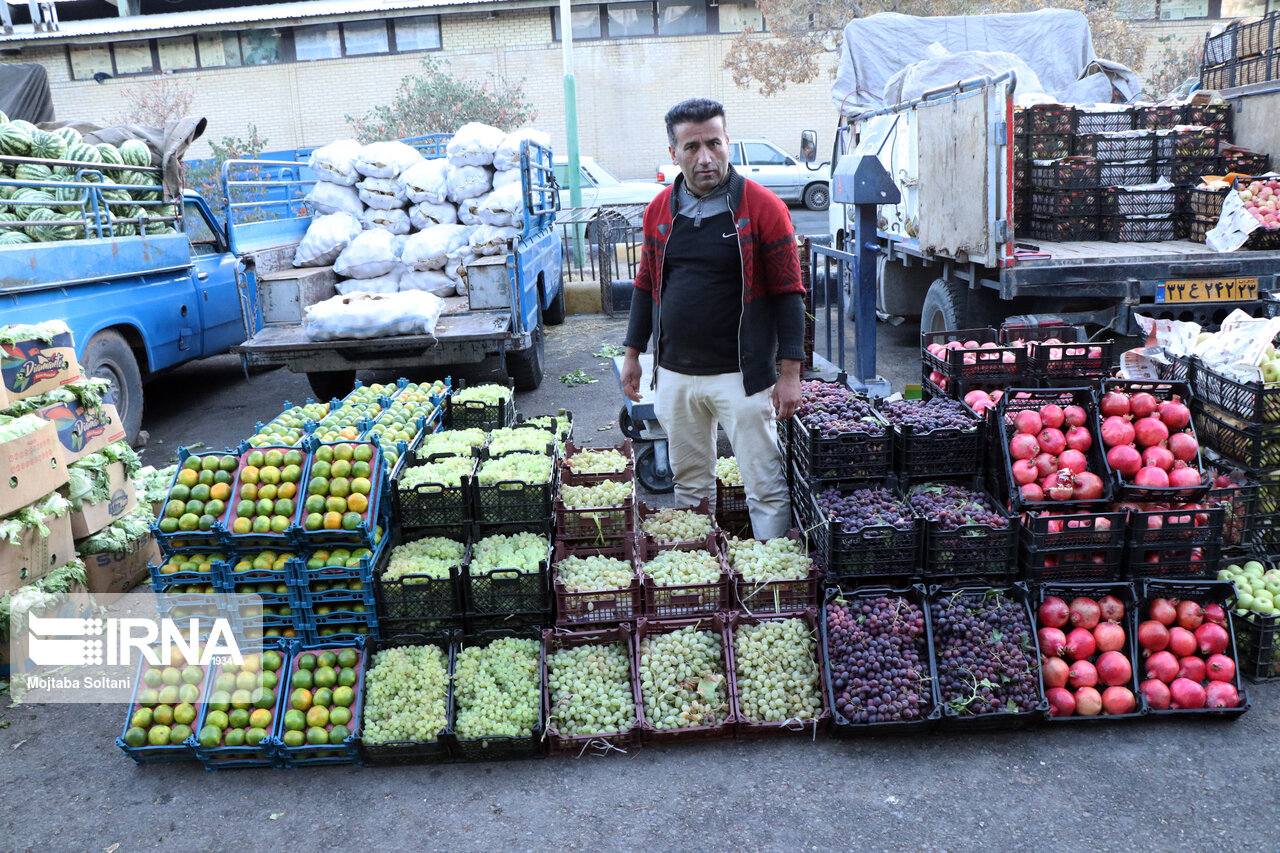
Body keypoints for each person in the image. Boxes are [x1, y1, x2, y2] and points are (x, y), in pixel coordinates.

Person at [620, 97, 805, 539]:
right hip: (675, 375)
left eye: (715, 144)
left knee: (764, 484)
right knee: (689, 485)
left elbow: (789, 293)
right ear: (674, 153)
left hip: (741, 377)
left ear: (728, 144)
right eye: (692, 147)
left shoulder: (762, 208)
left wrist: (790, 373)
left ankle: (772, 582)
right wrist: (632, 355)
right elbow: (646, 286)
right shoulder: (660, 210)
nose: (705, 158)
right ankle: (700, 580)